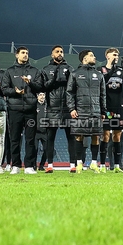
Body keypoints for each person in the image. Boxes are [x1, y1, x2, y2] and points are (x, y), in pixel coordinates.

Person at [2, 46, 41, 174]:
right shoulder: (10, 71)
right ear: (16, 55)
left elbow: (40, 87)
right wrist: (15, 91)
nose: (25, 55)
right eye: (23, 53)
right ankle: (16, 165)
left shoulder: (34, 71)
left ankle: (29, 166)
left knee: (30, 139)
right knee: (14, 139)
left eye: (27, 53)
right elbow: (4, 89)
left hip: (30, 109)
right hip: (14, 109)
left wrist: (30, 83)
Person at [66, 49, 106, 172]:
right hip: (80, 111)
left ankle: (94, 163)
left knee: (96, 136)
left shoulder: (99, 75)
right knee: (79, 136)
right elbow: (69, 92)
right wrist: (72, 108)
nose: (94, 58)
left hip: (95, 110)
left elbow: (103, 94)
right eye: (91, 56)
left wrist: (103, 111)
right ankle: (79, 163)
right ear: (84, 59)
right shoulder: (75, 73)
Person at [35, 45, 73, 173]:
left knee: (71, 137)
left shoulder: (70, 69)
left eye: (61, 51)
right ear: (52, 54)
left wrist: (68, 78)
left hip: (67, 108)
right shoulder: (46, 70)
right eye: (57, 52)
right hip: (52, 108)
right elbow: (43, 88)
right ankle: (50, 164)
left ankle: (72, 165)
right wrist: (53, 79)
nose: (60, 53)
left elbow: (74, 88)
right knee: (50, 138)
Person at [100, 48, 123, 171]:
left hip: (119, 107)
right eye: (114, 54)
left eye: (117, 55)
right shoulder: (101, 69)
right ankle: (103, 165)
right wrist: (112, 68)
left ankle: (118, 166)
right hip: (107, 107)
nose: (116, 56)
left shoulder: (120, 70)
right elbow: (105, 80)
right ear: (107, 56)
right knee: (106, 135)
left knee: (118, 136)